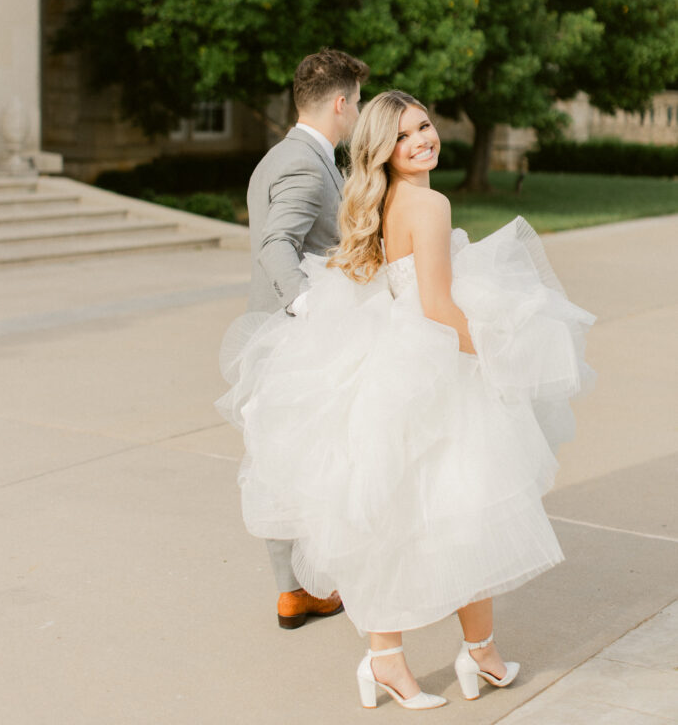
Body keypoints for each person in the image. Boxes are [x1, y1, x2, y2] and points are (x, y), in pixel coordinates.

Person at [217, 90, 595, 709]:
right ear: (383, 150)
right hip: (435, 365)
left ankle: (417, 659)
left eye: (425, 126)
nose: (423, 140)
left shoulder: (379, 201)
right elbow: (440, 304)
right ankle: (453, 657)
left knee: (408, 515)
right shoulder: (430, 202)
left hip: (398, 360)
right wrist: (496, 358)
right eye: (404, 135)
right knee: (464, 511)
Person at [243, 48, 369, 629]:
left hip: (268, 336)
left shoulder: (275, 157)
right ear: (341, 103)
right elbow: (277, 247)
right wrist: (311, 307)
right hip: (296, 340)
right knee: (316, 460)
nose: (358, 114)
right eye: (358, 103)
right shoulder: (302, 163)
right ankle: (308, 587)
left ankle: (294, 591)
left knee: (280, 462)